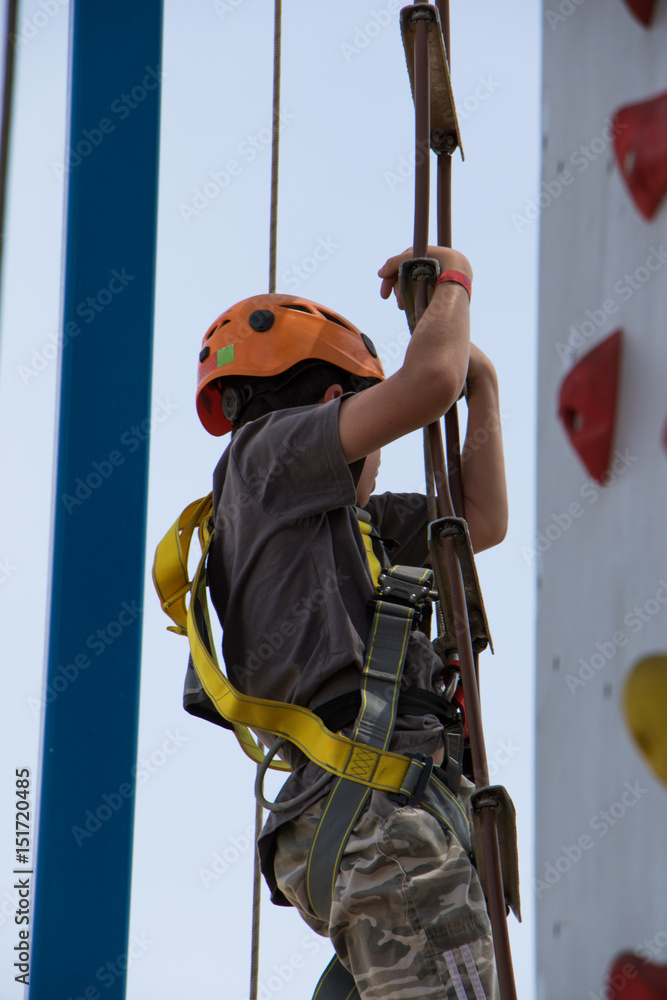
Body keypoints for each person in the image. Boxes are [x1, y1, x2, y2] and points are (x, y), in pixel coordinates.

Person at [197, 246, 508, 999]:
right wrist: (455, 280)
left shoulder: (335, 525)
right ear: (336, 402)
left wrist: (485, 390)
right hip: (374, 816)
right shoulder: (267, 456)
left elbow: (477, 521)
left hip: (379, 818)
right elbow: (429, 384)